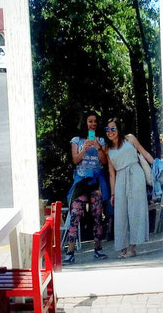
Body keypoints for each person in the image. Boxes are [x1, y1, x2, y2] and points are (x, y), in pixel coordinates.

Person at [63, 111, 110, 264]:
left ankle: (98, 249)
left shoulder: (101, 140)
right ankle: (70, 252)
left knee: (97, 215)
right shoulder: (76, 140)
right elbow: (75, 160)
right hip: (81, 182)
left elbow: (103, 162)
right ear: (85, 123)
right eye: (90, 121)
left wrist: (98, 147)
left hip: (95, 182)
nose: (93, 124)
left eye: (95, 121)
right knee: (75, 214)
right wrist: (84, 148)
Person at [106, 117, 154, 259]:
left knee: (135, 210)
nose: (110, 132)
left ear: (119, 129)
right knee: (120, 213)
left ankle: (132, 248)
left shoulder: (130, 139)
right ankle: (122, 247)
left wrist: (158, 165)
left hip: (135, 174)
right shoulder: (108, 149)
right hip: (120, 177)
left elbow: (144, 153)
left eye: (113, 128)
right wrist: (113, 194)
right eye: (108, 129)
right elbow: (111, 174)